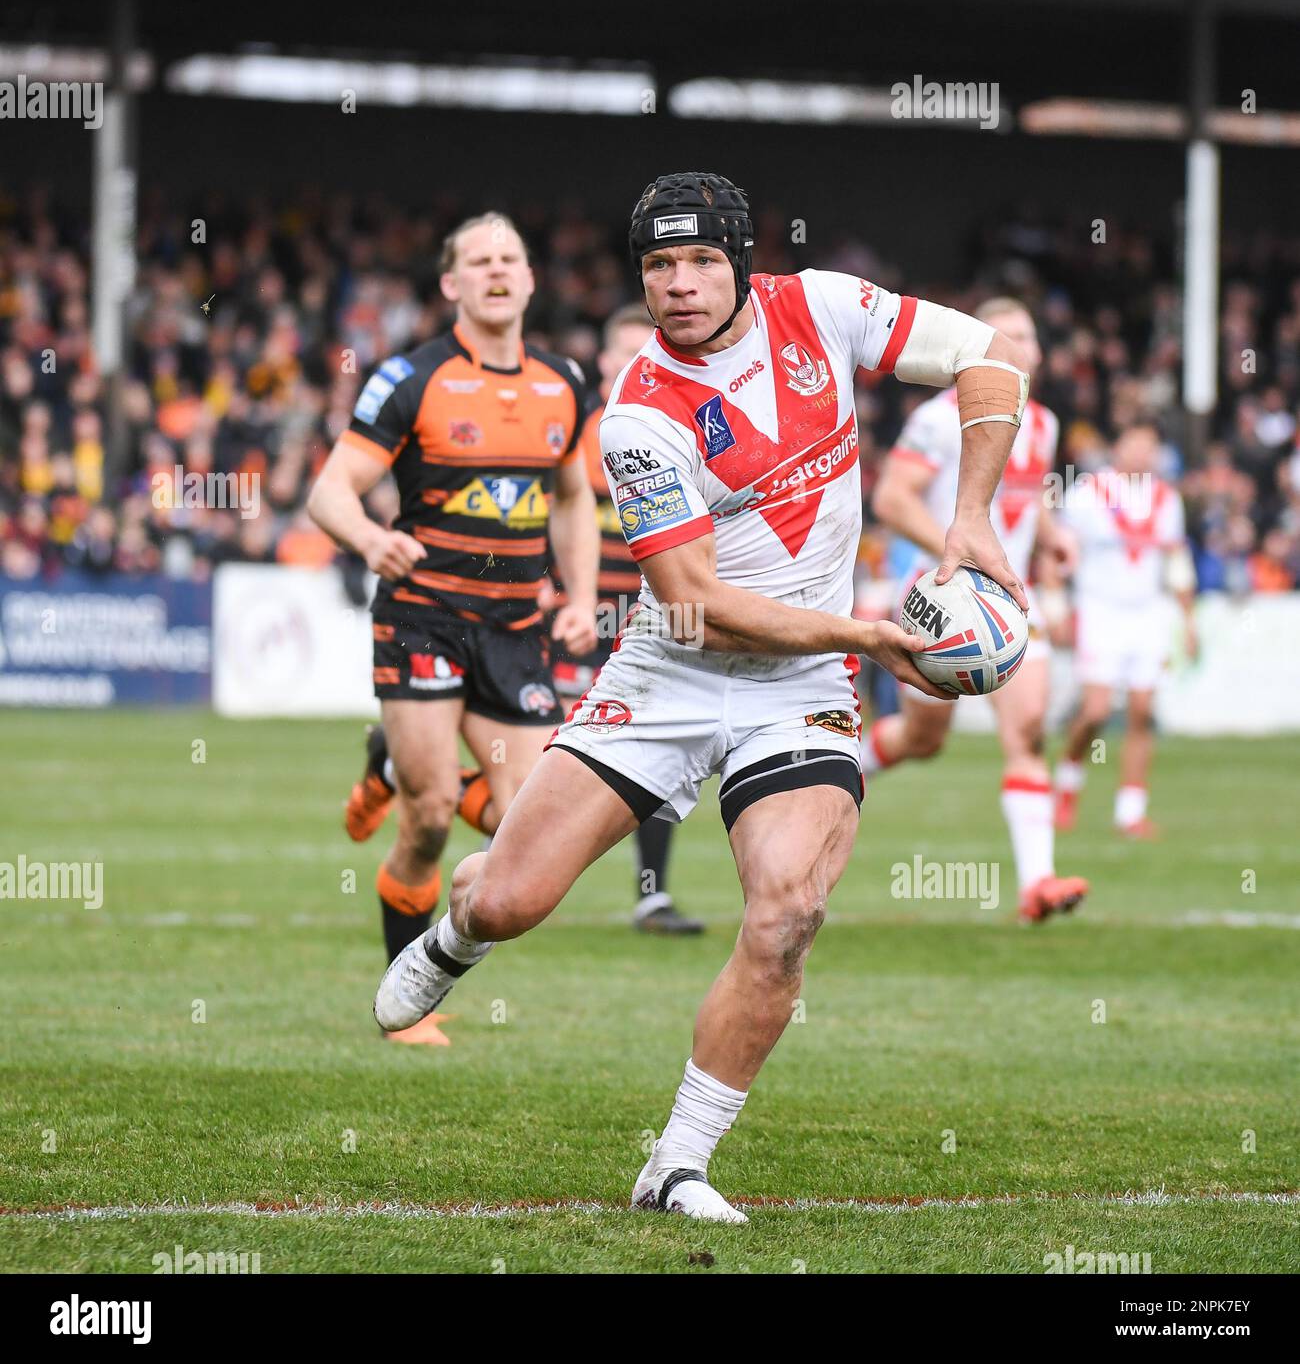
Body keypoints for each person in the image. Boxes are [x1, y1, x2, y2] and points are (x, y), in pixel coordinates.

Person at [373, 171, 1029, 1219]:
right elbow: (695, 602)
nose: (677, 285)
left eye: (699, 261)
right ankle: (454, 940)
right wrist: (868, 635)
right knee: (507, 897)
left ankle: (675, 1160)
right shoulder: (637, 414)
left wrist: (972, 514)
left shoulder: (821, 306)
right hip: (669, 672)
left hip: (800, 688)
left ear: (741, 262)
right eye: (657, 266)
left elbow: (989, 356)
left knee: (787, 911)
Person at [308, 212, 599, 1042]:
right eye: (479, 260)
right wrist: (370, 538)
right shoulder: (412, 377)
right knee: (432, 816)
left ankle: (389, 761)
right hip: (425, 618)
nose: (497, 271)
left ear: (531, 279)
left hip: (517, 630)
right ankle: (407, 1004)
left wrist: (577, 596)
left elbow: (576, 497)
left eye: (511, 258)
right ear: (452, 284)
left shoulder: (564, 382)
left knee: (529, 835)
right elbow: (330, 492)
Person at [862, 298, 1089, 923]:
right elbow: (890, 497)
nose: (1020, 345)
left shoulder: (1039, 423)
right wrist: (958, 552)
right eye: (1005, 335)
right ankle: (841, 769)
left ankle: (1037, 884)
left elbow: (1020, 499)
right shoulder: (940, 417)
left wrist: (1051, 535)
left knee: (1027, 731)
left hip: (1011, 601)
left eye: (1028, 334)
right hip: (943, 599)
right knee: (922, 740)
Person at [547, 302, 702, 935]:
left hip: (646, 627)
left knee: (659, 758)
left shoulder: (680, 430)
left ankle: (651, 896)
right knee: (543, 762)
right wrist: (560, 600)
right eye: (627, 353)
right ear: (605, 362)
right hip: (575, 621)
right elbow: (548, 520)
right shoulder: (574, 433)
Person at [1054, 420, 1197, 838]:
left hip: (1148, 611)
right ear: (1118, 446)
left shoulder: (1167, 499)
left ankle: (1130, 811)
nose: (1141, 453)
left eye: (1149, 446)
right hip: (1100, 609)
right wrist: (1057, 607)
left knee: (1142, 711)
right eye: (1135, 443)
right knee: (1096, 711)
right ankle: (1068, 779)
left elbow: (1176, 560)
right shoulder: (1086, 494)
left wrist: (1188, 620)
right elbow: (1057, 555)